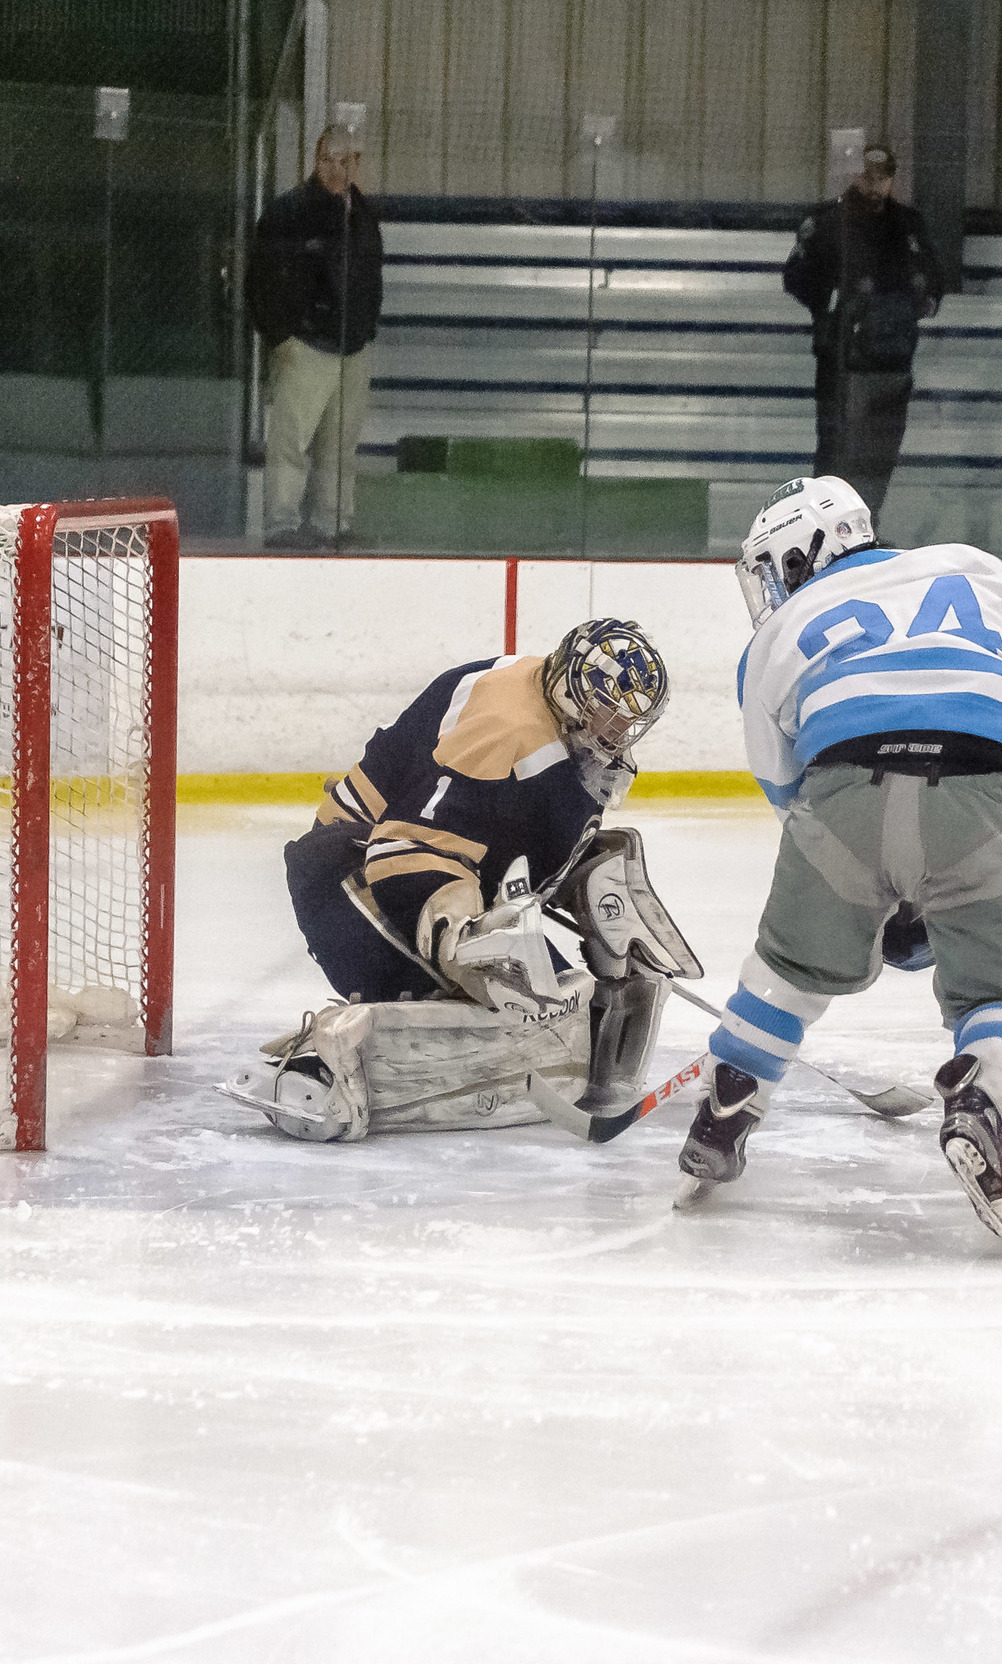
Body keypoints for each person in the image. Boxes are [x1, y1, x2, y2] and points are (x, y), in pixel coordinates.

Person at [676, 476, 1002, 1255]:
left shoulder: (778, 630)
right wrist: (959, 858)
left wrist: (877, 878)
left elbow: (787, 787)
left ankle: (726, 1103)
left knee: (788, 969)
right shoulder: (984, 570)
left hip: (844, 788)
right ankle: (982, 1098)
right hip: (993, 780)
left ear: (806, 552)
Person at [219, 621, 697, 1143]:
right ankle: (323, 1067)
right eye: (606, 710)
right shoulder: (507, 728)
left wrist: (589, 888)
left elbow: (502, 831)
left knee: (561, 1012)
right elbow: (410, 848)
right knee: (521, 1011)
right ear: (568, 690)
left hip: (408, 859)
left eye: (627, 719)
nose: (616, 728)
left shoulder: (558, 717)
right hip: (346, 873)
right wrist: (462, 939)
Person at [782, 144, 949, 525]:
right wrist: (837, 302)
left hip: (891, 360)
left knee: (880, 453)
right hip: (843, 362)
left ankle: (864, 527)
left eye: (883, 177)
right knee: (837, 453)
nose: (876, 185)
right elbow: (797, 276)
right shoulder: (828, 222)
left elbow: (933, 282)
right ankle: (826, 531)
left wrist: (904, 306)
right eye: (869, 176)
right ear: (854, 175)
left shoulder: (908, 225)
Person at [247, 126, 383, 549]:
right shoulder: (288, 212)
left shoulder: (362, 215)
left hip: (351, 345)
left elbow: (370, 278)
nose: (338, 168)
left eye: (347, 160)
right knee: (292, 439)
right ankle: (281, 522)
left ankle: (334, 522)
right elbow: (261, 281)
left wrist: (364, 328)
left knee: (341, 444)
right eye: (331, 159)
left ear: (357, 163)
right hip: (306, 343)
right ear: (317, 159)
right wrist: (282, 338)